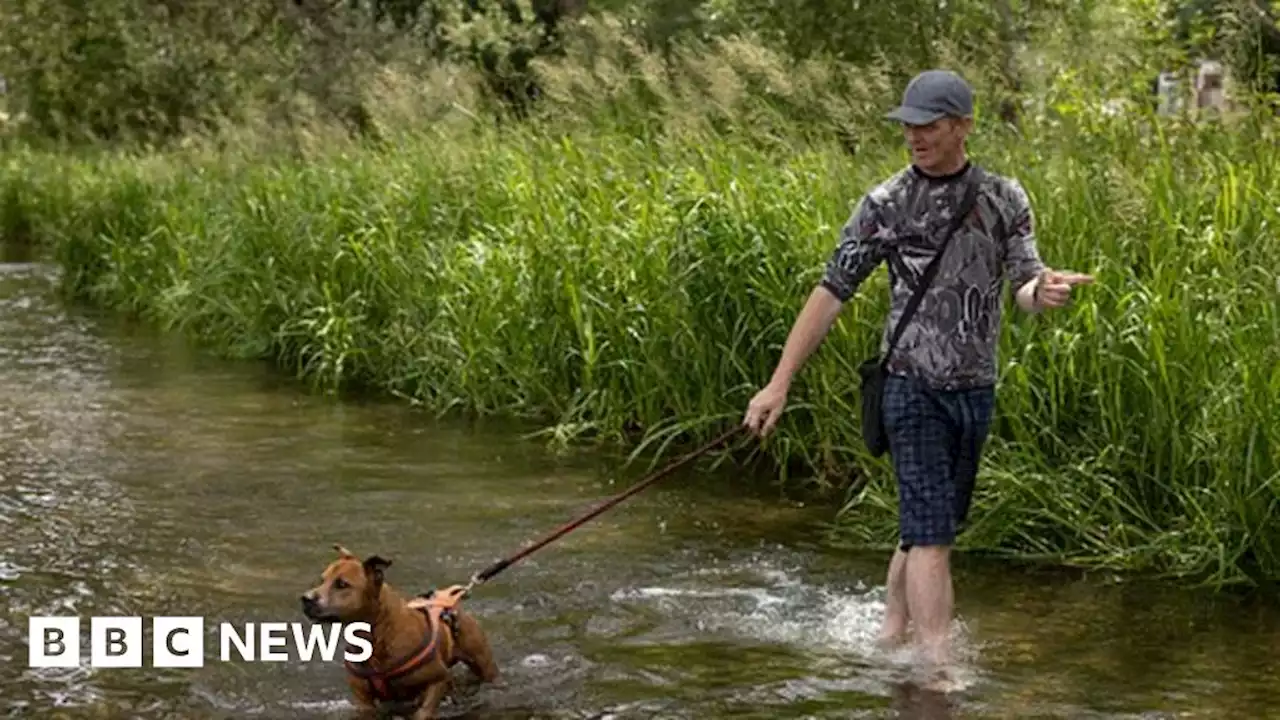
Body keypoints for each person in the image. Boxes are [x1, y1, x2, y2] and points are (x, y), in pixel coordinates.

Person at [741, 69, 1093, 682]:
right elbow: (831, 291)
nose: (914, 136)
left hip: (975, 389)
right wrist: (780, 381)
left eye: (927, 124)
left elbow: (1024, 286)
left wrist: (1046, 293)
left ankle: (890, 633)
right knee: (933, 537)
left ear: (962, 126)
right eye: (908, 125)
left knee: (927, 528)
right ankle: (935, 673)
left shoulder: (1004, 198)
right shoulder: (886, 204)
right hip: (909, 386)